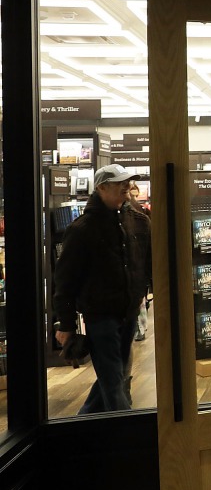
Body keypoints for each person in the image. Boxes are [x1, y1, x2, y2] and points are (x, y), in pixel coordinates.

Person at [53, 164, 147, 413]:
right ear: (102, 187)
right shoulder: (81, 229)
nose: (126, 188)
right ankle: (128, 428)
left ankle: (80, 424)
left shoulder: (134, 221)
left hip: (128, 312)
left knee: (114, 374)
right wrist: (66, 324)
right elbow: (65, 281)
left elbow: (142, 262)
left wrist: (141, 293)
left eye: (127, 184)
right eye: (120, 184)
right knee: (114, 380)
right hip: (100, 316)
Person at [125, 182, 153, 343]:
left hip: (136, 276)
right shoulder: (139, 213)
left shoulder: (139, 216)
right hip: (137, 277)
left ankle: (140, 329)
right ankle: (140, 329)